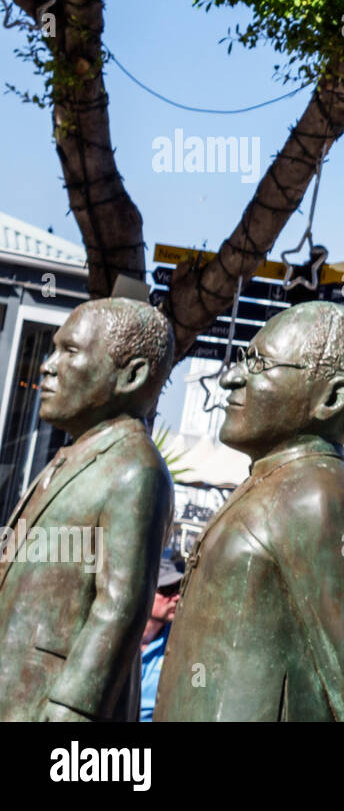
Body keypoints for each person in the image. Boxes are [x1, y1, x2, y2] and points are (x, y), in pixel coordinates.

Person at [154, 301, 344, 721]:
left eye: (258, 363)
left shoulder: (318, 497)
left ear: (331, 397)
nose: (231, 377)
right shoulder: (274, 480)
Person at [0, 298, 174, 721]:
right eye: (53, 348)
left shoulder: (136, 469)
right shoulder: (73, 456)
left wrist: (69, 709)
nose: (47, 365)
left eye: (70, 351)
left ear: (131, 375)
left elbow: (119, 608)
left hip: (50, 706)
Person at [139, 554, 183, 722]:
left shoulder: (181, 641)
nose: (176, 597)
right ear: (145, 592)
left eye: (178, 588)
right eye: (167, 590)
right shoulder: (118, 637)